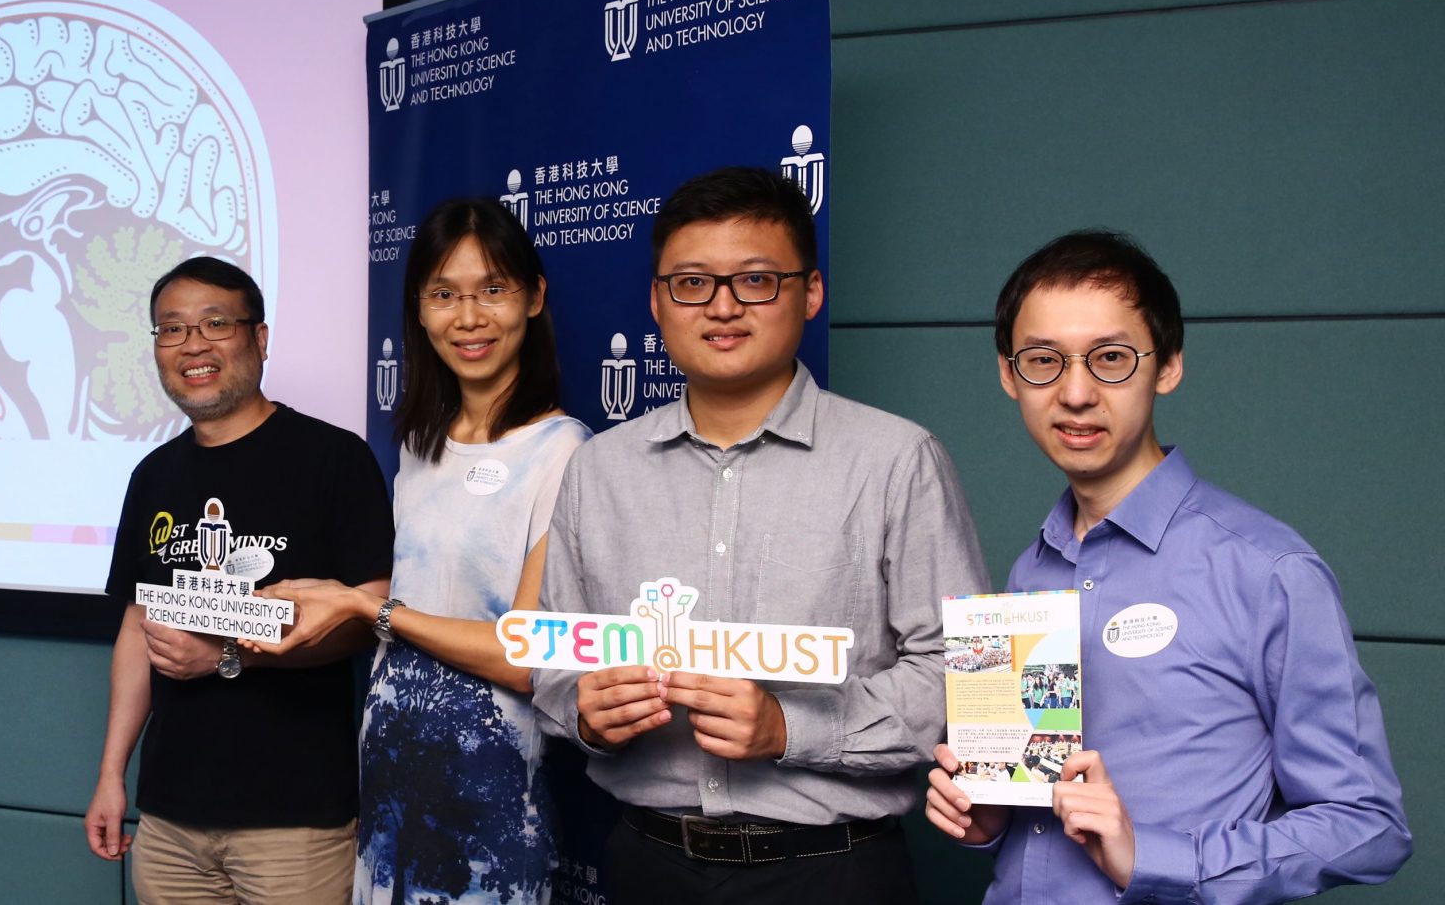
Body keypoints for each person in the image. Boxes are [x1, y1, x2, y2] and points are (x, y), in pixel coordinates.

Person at [530, 166, 990, 903]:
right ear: (656, 300)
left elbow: (962, 675)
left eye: (755, 280)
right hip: (649, 863)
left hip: (832, 871)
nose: (722, 306)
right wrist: (586, 713)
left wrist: (789, 727)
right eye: (692, 283)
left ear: (810, 292)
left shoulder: (897, 459)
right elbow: (554, 660)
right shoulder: (597, 469)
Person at [924, 230, 1411, 903]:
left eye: (1111, 358)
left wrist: (1151, 856)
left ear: (1169, 365)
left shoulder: (1267, 570)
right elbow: (1034, 812)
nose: (1075, 392)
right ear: (1010, 375)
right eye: (1043, 361)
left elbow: (1369, 824)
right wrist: (988, 820)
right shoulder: (1031, 570)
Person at [256, 198, 588, 903]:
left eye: (492, 289)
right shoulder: (418, 445)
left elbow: (526, 656)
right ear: (418, 309)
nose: (468, 318)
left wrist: (366, 607)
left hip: (490, 791)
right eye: (444, 295)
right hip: (390, 776)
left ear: (533, 297)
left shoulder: (564, 450)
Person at [84, 257, 394, 904]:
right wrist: (112, 773)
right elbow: (139, 625)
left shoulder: (333, 458)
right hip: (169, 818)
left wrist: (227, 655)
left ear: (260, 337)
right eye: (172, 329)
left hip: (294, 820)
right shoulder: (153, 476)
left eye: (215, 323)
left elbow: (370, 617)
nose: (192, 344)